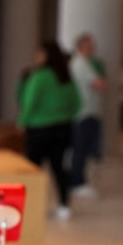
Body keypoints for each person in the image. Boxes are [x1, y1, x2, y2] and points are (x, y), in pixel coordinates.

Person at [18, 41, 81, 220]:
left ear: (46, 56)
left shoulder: (39, 77)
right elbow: (77, 104)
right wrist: (64, 115)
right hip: (62, 127)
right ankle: (64, 205)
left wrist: (22, 122)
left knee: (33, 169)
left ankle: (30, 206)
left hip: (39, 128)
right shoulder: (66, 77)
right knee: (58, 167)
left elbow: (29, 102)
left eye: (39, 53)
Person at [69, 33, 106, 198]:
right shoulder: (81, 64)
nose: (93, 49)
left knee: (82, 148)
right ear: (82, 46)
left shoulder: (84, 63)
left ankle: (77, 180)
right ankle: (77, 182)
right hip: (83, 112)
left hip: (85, 111)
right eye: (90, 45)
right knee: (80, 149)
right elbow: (98, 84)